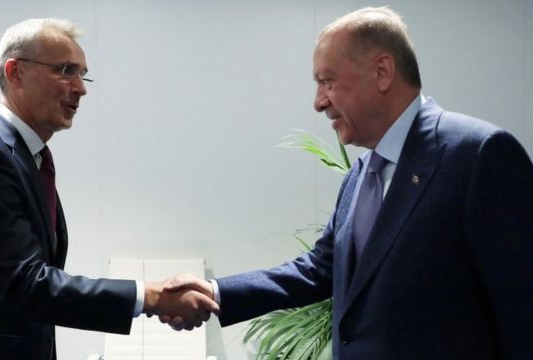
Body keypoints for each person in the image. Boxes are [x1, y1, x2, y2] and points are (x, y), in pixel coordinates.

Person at [165, 6, 533, 359]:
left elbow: (522, 306)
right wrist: (215, 292)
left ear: (383, 71)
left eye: (327, 81)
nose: (318, 102)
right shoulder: (360, 174)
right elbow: (319, 270)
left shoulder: (478, 154)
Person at [0, 18, 217, 360]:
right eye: (66, 70)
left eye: (83, 74)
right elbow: (26, 285)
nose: (81, 88)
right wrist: (152, 296)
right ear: (15, 72)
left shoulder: (28, 158)